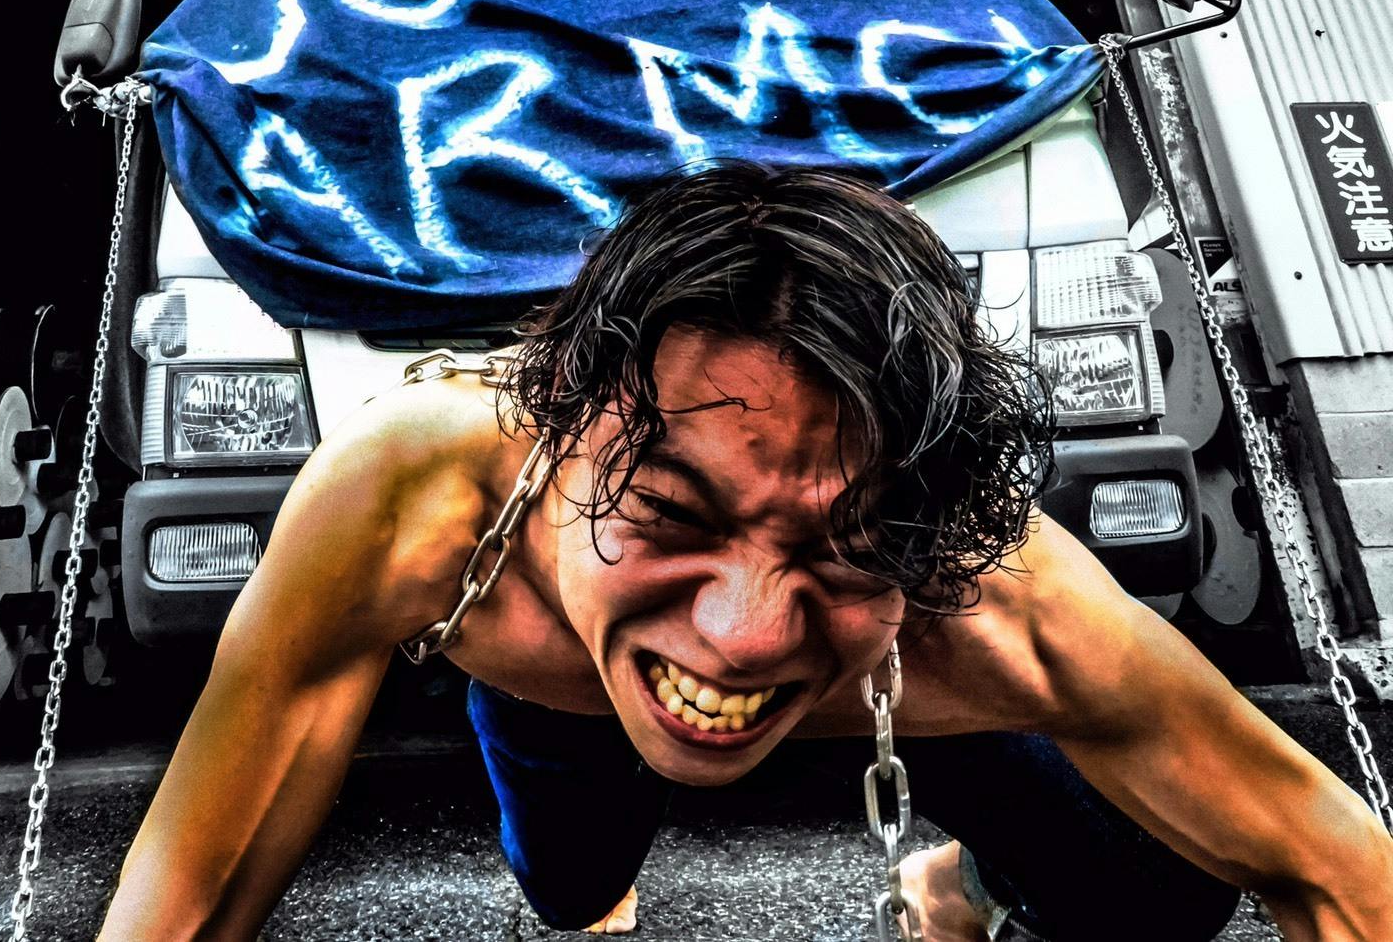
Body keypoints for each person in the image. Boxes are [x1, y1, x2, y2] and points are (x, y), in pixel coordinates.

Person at [99, 161, 1393, 941]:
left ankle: (959, 888)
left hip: (887, 686)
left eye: (846, 541)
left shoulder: (993, 589)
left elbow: (1336, 871)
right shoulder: (412, 492)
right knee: (568, 889)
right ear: (557, 425)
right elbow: (192, 897)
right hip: (569, 692)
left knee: (1159, 902)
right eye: (672, 515)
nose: (744, 634)